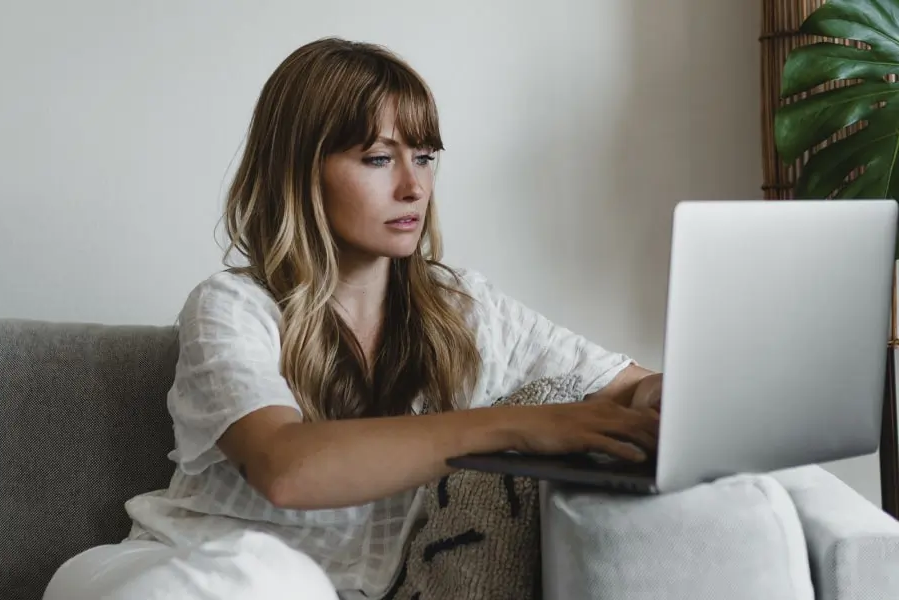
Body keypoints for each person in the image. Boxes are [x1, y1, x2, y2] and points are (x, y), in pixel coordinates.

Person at [42, 36, 663, 600]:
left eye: (425, 156)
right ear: (301, 170)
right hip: (172, 571)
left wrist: (664, 400)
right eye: (377, 159)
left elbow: (632, 387)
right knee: (273, 579)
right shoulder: (232, 307)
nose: (414, 187)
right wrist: (518, 427)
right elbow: (286, 469)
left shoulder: (465, 310)